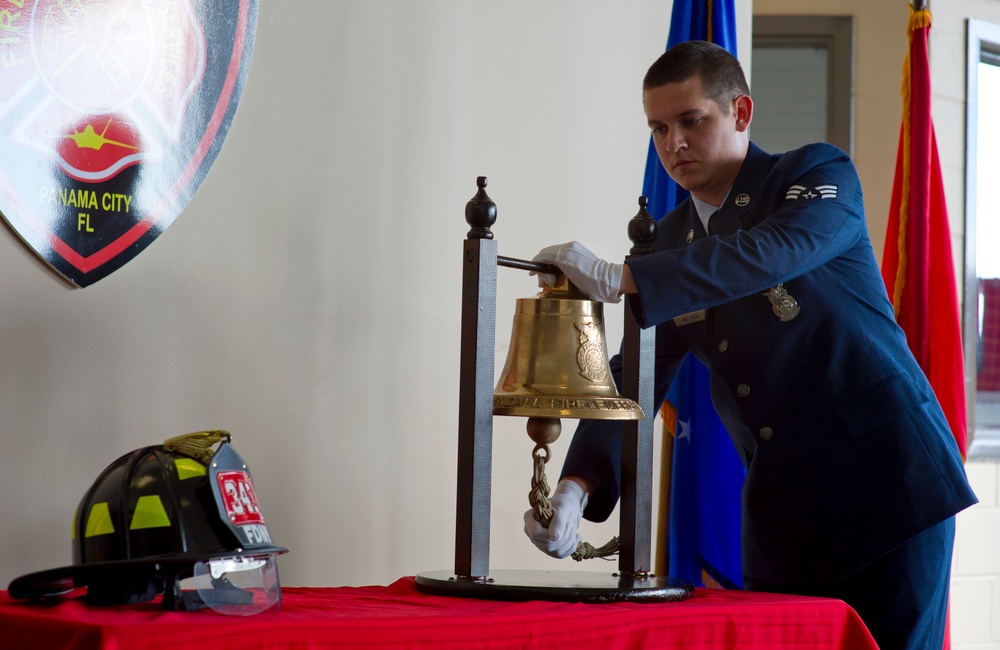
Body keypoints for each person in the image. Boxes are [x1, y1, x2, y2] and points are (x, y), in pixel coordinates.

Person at [525, 40, 977, 650]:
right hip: (783, 513)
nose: (672, 145)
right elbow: (636, 370)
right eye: (658, 128)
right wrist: (577, 487)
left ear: (740, 113)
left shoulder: (814, 175)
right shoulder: (670, 241)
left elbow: (770, 253)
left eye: (691, 121)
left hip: (888, 488)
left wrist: (621, 276)